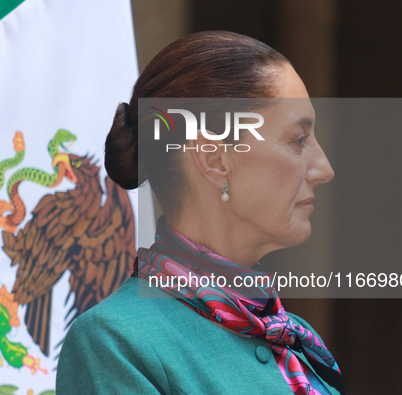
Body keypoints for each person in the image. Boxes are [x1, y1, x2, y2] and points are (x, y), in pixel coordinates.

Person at [56, 31, 346, 395]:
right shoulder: (115, 340)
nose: (324, 168)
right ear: (214, 159)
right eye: (298, 140)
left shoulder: (296, 338)